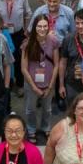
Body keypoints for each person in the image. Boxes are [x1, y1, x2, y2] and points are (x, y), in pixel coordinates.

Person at [20, 15, 60, 143]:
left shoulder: (53, 41)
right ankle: (31, 129)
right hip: (31, 84)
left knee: (47, 108)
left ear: (48, 27)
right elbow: (24, 68)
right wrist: (34, 87)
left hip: (48, 82)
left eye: (44, 26)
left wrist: (50, 86)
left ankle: (46, 127)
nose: (42, 29)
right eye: (39, 26)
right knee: (30, 108)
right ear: (34, 27)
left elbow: (56, 64)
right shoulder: (27, 44)